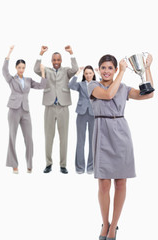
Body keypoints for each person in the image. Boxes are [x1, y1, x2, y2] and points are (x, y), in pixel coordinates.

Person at [87, 54, 154, 240]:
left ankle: (113, 226)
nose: (106, 71)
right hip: (102, 134)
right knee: (103, 184)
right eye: (103, 68)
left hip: (121, 134)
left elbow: (149, 94)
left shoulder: (123, 88)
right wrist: (123, 72)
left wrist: (147, 68)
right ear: (98, 69)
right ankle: (104, 222)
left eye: (110, 68)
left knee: (121, 182)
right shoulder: (93, 86)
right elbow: (108, 95)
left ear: (114, 69)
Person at [34, 45, 78, 174]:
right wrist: (40, 53)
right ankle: (48, 163)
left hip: (63, 107)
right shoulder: (46, 70)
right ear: (52, 61)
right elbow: (36, 69)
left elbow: (75, 69)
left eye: (58, 60)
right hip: (49, 106)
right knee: (48, 137)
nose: (56, 62)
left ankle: (63, 165)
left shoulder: (66, 71)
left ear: (61, 61)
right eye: (54, 60)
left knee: (63, 137)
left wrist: (71, 53)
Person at [2, 46, 47, 174]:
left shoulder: (28, 80)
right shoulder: (11, 79)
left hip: (26, 111)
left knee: (29, 138)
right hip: (13, 110)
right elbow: (4, 70)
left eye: (23, 68)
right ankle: (14, 165)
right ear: (16, 68)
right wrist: (9, 53)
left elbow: (41, 86)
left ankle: (29, 164)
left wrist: (43, 72)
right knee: (12, 137)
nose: (21, 69)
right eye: (19, 67)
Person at [68, 66, 95, 174]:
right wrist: (77, 73)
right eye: (86, 73)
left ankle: (91, 167)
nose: (88, 75)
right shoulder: (80, 84)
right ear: (84, 74)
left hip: (94, 113)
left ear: (93, 74)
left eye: (90, 73)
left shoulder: (97, 84)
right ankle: (79, 167)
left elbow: (106, 87)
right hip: (81, 113)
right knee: (80, 141)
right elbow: (70, 85)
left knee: (92, 141)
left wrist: (101, 74)